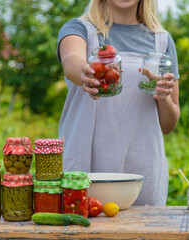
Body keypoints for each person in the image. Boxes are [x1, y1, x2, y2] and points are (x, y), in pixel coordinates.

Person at [56, 0, 180, 206]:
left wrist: (163, 93)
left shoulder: (162, 41)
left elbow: (169, 124)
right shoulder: (79, 29)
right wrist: (86, 73)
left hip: (143, 170)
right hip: (86, 166)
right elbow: (71, 60)